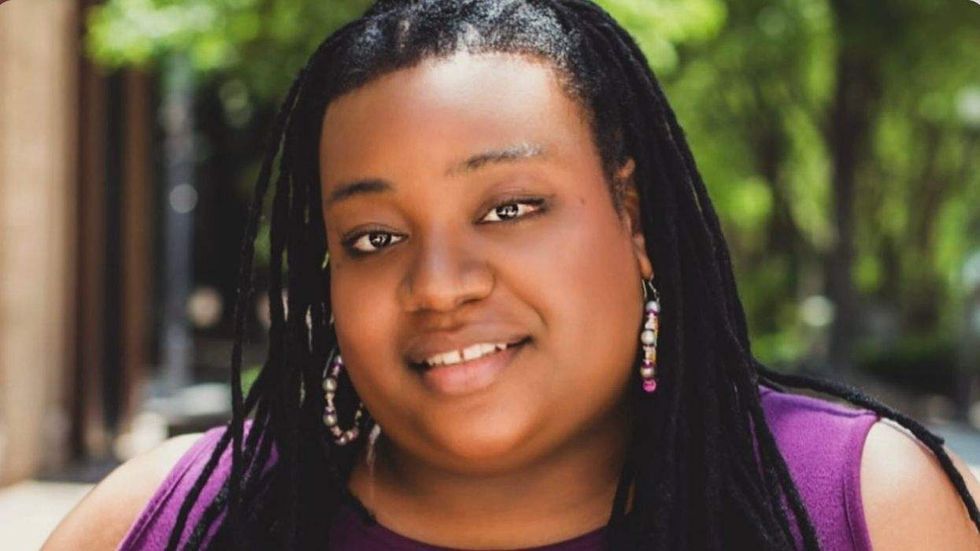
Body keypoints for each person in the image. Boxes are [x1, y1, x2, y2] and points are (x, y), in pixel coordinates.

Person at [45, 0, 980, 549]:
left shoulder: (853, 505)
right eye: (374, 236)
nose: (439, 284)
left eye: (509, 209)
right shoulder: (171, 521)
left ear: (635, 219)